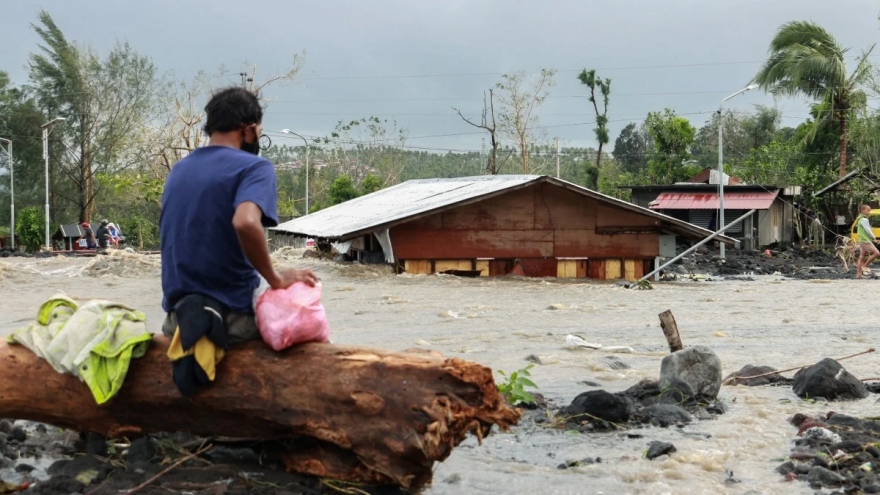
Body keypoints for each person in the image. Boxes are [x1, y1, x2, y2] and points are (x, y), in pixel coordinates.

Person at [160, 86, 318, 343]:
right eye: (259, 131)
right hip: (230, 320)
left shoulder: (179, 170)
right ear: (248, 129)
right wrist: (275, 278)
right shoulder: (255, 168)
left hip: (177, 321)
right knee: (305, 325)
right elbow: (245, 223)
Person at [855, 204, 879, 279]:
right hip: (865, 240)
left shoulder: (859, 219)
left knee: (861, 257)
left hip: (861, 240)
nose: (869, 212)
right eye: (868, 210)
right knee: (876, 253)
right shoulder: (864, 219)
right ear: (862, 211)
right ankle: (865, 266)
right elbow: (868, 230)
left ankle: (858, 275)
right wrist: (874, 238)